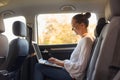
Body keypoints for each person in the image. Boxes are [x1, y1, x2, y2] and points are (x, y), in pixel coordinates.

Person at [34, 12, 95, 80]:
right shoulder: (85, 39)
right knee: (43, 66)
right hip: (71, 72)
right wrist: (58, 61)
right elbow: (75, 62)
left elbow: (80, 67)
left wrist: (61, 63)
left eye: (74, 27)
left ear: (82, 25)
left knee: (38, 66)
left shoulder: (86, 40)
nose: (73, 30)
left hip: (74, 76)